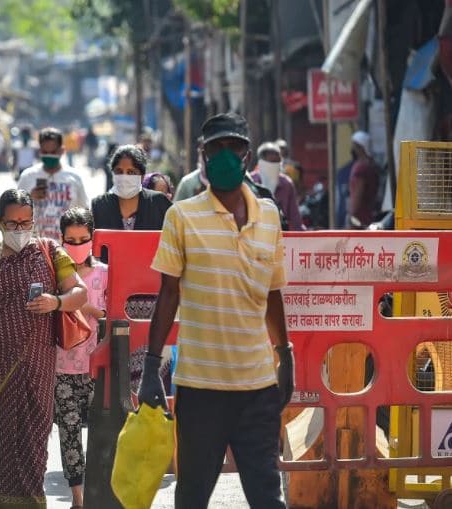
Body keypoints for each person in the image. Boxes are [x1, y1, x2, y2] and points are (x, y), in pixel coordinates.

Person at [140, 113, 293, 508]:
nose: (225, 155)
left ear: (247, 153)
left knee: (267, 496)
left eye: (234, 147)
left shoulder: (269, 216)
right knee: (192, 495)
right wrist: (151, 367)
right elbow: (167, 294)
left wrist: (285, 358)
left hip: (258, 388)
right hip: (200, 388)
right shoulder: (182, 216)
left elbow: (272, 292)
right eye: (216, 148)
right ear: (202, 155)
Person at [0, 189, 88, 508]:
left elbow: (79, 294)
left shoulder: (49, 252)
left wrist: (57, 302)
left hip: (35, 368)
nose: (19, 228)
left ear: (34, 221)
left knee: (30, 442)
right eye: (12, 223)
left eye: (26, 222)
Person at [56, 207, 107, 509]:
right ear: (61, 240)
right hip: (62, 366)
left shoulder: (105, 274)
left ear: (93, 238)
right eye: (70, 240)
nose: (76, 246)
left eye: (82, 239)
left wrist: (84, 306)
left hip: (96, 367)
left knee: (101, 433)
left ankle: (98, 493)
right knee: (69, 434)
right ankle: (78, 498)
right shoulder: (55, 275)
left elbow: (114, 315)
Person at [17, 127, 89, 241]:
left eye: (53, 152)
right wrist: (30, 198)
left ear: (62, 151)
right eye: (45, 152)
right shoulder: (28, 177)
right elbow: (15, 213)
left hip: (66, 247)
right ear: (39, 151)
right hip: (34, 245)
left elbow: (85, 213)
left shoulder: (74, 178)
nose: (49, 155)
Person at [92, 145, 171, 233]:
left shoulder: (158, 203)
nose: (124, 177)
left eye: (131, 172)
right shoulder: (99, 205)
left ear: (142, 176)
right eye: (119, 171)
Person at [250, 142, 304, 231]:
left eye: (276, 162)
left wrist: (304, 238)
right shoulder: (250, 182)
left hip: (280, 234)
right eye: (270, 163)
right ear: (261, 163)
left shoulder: (287, 184)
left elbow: (295, 218)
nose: (273, 167)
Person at [348, 131, 380, 229]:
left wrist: (351, 216)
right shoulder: (371, 165)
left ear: (360, 147)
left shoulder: (361, 168)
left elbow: (357, 195)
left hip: (360, 220)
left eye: (354, 145)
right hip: (369, 217)